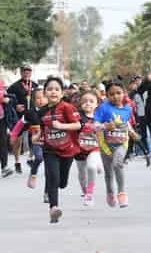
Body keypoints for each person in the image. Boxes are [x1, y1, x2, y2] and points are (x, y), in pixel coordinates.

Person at [31, 77, 81, 223]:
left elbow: (77, 125)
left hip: (68, 149)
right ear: (45, 92)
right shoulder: (42, 111)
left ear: (62, 92)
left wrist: (61, 126)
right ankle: (54, 208)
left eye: (56, 89)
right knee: (52, 178)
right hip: (50, 150)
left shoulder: (67, 107)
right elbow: (42, 127)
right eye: (50, 89)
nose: (53, 92)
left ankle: (58, 189)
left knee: (62, 182)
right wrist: (37, 137)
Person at [94, 80, 139, 208]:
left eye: (118, 93)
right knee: (108, 172)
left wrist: (132, 132)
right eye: (112, 94)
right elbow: (95, 125)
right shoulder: (103, 108)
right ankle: (110, 193)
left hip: (122, 142)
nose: (116, 96)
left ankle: (122, 193)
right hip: (105, 144)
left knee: (118, 163)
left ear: (124, 93)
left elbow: (125, 123)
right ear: (107, 96)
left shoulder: (128, 109)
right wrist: (104, 126)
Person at [11, 87, 48, 202]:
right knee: (39, 157)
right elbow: (19, 125)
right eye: (37, 98)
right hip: (37, 141)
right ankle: (33, 173)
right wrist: (13, 136)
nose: (41, 100)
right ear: (33, 100)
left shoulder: (52, 111)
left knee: (50, 169)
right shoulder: (30, 113)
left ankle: (47, 193)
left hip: (52, 142)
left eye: (43, 97)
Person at [7, 65, 38, 174]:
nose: (27, 73)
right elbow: (8, 98)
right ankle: (17, 161)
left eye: (29, 71)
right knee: (18, 140)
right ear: (21, 72)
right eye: (25, 71)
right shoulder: (15, 86)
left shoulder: (35, 85)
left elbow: (39, 98)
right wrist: (15, 106)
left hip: (33, 114)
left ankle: (30, 157)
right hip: (20, 115)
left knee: (35, 137)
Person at [75, 91, 103, 206]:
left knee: (91, 167)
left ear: (96, 104)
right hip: (79, 149)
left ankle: (90, 193)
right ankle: (85, 191)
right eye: (85, 101)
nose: (88, 104)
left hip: (94, 148)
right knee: (82, 173)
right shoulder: (77, 117)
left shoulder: (100, 117)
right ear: (80, 104)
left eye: (91, 101)